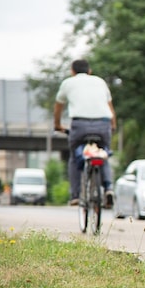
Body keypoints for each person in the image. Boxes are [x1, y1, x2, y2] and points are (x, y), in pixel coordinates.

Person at [54, 59, 116, 208]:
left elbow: (58, 107)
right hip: (103, 123)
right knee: (103, 154)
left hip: (79, 125)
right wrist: (113, 125)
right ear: (89, 71)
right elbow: (110, 107)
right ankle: (108, 189)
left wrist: (57, 125)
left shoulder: (68, 83)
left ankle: (75, 195)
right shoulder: (100, 82)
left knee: (75, 157)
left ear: (72, 71)